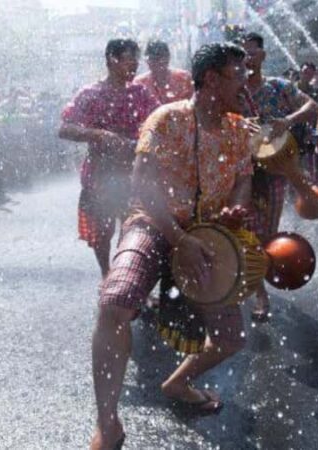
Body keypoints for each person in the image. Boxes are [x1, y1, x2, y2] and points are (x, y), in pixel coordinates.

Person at [89, 42, 252, 450]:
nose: (246, 81)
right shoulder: (165, 118)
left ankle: (178, 383)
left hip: (207, 235)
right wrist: (179, 240)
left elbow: (244, 178)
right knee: (114, 305)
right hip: (153, 225)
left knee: (231, 337)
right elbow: (142, 183)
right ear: (212, 78)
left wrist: (236, 207)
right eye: (239, 73)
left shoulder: (237, 129)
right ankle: (108, 424)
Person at [238, 31, 318, 322]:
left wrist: (288, 119)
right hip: (239, 174)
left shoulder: (278, 87)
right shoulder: (232, 91)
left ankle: (261, 288)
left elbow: (313, 107)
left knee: (267, 233)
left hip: (274, 172)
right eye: (242, 53)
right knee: (244, 231)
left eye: (252, 52)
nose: (248, 59)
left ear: (262, 55)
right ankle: (256, 289)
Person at [59, 39, 160, 276]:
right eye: (128, 59)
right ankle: (106, 273)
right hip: (101, 172)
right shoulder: (90, 93)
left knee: (134, 227)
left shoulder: (140, 92)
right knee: (102, 230)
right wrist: (98, 134)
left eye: (136, 59)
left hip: (134, 171)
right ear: (110, 60)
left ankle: (128, 276)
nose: (134, 65)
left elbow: (159, 120)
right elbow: (65, 129)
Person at [135, 40, 194, 105]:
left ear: (168, 57)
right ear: (147, 61)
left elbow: (192, 105)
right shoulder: (139, 83)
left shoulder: (184, 79)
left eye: (161, 58)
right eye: (153, 59)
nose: (158, 63)